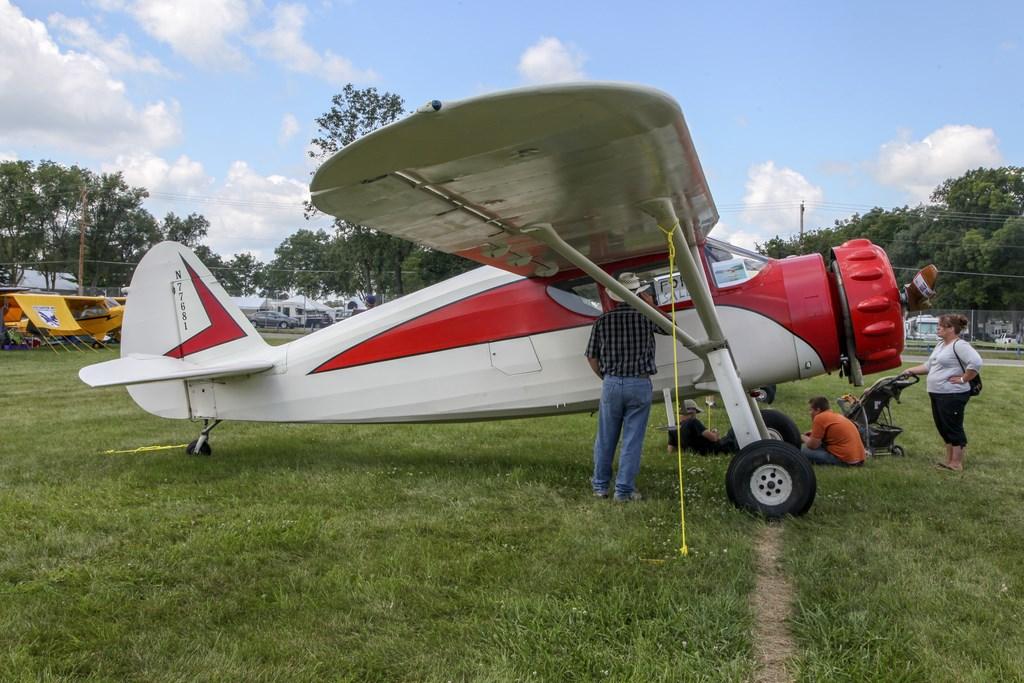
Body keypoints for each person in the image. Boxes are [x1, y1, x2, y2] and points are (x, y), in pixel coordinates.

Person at [585, 272, 666, 502]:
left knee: (605, 438)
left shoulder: (602, 321)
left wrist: (607, 378)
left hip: (611, 382)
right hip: (639, 383)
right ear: (637, 293)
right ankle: (623, 491)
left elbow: (591, 357)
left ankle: (600, 487)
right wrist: (651, 305)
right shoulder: (645, 316)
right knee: (632, 440)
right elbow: (672, 328)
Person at [900, 313, 982, 471]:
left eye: (941, 326)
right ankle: (949, 460)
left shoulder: (959, 345)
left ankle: (956, 463)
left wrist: (964, 379)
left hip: (953, 394)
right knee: (943, 427)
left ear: (951, 329)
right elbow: (929, 366)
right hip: (938, 393)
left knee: (953, 427)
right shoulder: (941, 345)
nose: (937, 328)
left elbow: (976, 362)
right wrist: (910, 370)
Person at [800, 396, 866, 466]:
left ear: (818, 410)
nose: (809, 413)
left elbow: (812, 445)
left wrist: (801, 436)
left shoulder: (819, 418)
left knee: (800, 450)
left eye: (811, 410)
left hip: (845, 460)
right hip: (859, 459)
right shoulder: (835, 416)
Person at [668, 399, 738, 454]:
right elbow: (713, 438)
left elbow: (671, 450)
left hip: (697, 452)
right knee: (735, 430)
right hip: (716, 448)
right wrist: (715, 432)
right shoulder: (693, 422)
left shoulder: (673, 427)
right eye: (696, 412)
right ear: (692, 412)